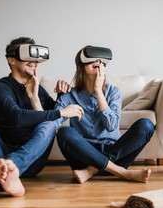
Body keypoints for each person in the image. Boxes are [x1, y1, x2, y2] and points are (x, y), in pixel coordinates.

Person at [0, 37, 83, 197]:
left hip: (32, 160)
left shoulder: (39, 89)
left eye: (35, 59)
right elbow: (17, 117)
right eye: (27, 58)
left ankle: (10, 167)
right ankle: (7, 175)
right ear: (11, 60)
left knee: (50, 125)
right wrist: (60, 112)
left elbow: (57, 117)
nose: (34, 62)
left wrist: (59, 93)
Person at [55, 45, 155, 184]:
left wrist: (98, 90)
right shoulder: (69, 94)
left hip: (115, 154)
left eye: (101, 63)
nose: (98, 64)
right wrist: (60, 95)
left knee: (146, 125)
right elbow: (53, 121)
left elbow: (111, 126)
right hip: (84, 156)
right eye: (93, 62)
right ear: (81, 67)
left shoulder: (113, 91)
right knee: (64, 133)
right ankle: (122, 173)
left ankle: (92, 170)